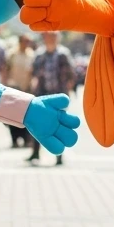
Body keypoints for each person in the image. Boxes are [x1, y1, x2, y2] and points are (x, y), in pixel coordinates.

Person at [29, 31, 74, 166]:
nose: (50, 39)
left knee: (58, 125)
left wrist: (68, 91)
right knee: (38, 123)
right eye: (48, 36)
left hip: (58, 95)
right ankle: (35, 152)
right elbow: (34, 73)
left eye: (53, 36)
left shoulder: (63, 54)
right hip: (42, 95)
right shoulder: (39, 54)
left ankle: (59, 155)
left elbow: (71, 75)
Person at [4, 34, 37, 148]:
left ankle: (25, 138)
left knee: (25, 115)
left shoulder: (32, 55)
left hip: (26, 88)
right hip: (14, 87)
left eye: (28, 42)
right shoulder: (12, 54)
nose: (26, 44)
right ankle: (14, 139)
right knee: (13, 116)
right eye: (24, 41)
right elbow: (6, 69)